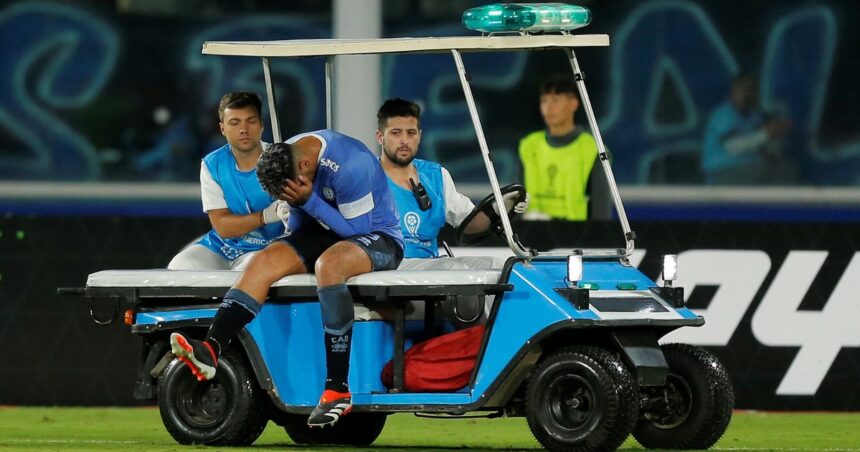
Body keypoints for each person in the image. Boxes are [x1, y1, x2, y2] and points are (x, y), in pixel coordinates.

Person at [167, 130, 404, 428]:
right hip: (323, 227)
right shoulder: (290, 157)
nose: (285, 198)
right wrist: (299, 211)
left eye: (287, 192)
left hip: (377, 235)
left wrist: (309, 201)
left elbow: (356, 230)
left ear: (304, 167)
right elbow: (301, 223)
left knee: (328, 265)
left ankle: (337, 389)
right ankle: (212, 347)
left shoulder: (352, 164)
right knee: (264, 259)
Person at [376, 98, 528, 261]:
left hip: (428, 272)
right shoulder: (366, 175)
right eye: (396, 133)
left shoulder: (438, 176)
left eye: (411, 133)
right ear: (380, 137)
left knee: (494, 264)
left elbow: (471, 224)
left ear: (419, 136)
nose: (405, 141)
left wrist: (502, 207)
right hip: (384, 269)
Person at [167, 92, 287, 270]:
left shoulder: (283, 161)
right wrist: (265, 216)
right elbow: (223, 226)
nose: (243, 129)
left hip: (269, 247)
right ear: (222, 128)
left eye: (251, 121)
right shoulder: (212, 164)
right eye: (235, 122)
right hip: (223, 246)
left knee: (250, 272)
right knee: (180, 266)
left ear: (261, 125)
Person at [518, 73, 610, 221]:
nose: (548, 107)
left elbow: (601, 210)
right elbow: (517, 199)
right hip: (531, 235)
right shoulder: (528, 146)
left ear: (573, 104)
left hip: (576, 238)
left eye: (556, 100)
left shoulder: (593, 149)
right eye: (544, 100)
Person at [701, 74, 795, 185]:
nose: (745, 94)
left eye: (750, 90)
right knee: (783, 170)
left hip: (749, 170)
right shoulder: (723, 115)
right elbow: (732, 146)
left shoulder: (754, 116)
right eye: (741, 89)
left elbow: (764, 150)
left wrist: (779, 131)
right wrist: (767, 134)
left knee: (788, 166)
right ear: (732, 92)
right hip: (723, 173)